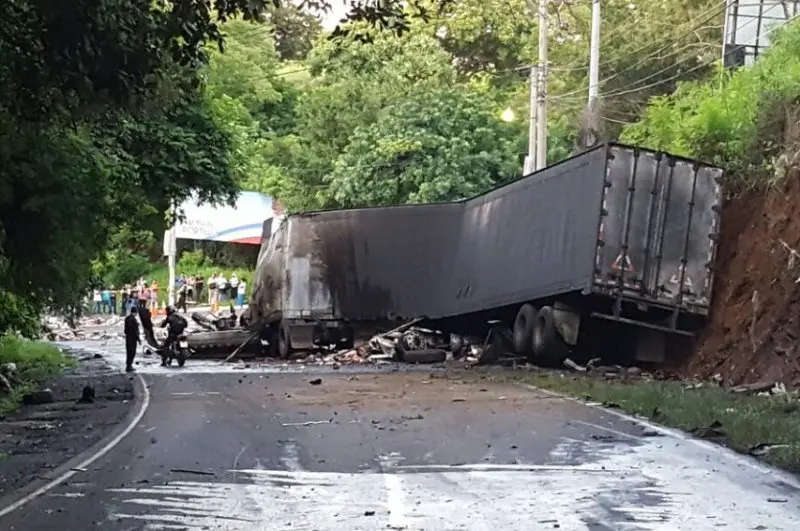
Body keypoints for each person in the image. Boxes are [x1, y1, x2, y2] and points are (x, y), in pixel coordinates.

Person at [124, 307, 140, 373]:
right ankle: (129, 366)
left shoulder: (127, 319)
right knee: (132, 352)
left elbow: (125, 330)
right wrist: (138, 339)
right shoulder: (134, 320)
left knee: (128, 352)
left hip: (128, 337)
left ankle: (128, 365)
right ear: (135, 312)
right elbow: (136, 331)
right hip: (133, 338)